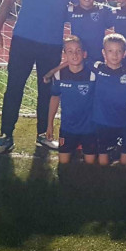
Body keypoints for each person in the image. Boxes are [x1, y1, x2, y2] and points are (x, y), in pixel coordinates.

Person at [0, 0, 77, 156]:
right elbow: (8, 1)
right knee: (14, 87)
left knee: (46, 90)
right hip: (23, 40)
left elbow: (83, 7)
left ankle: (43, 135)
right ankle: (6, 136)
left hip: (52, 44)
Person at [46, 36, 97, 165]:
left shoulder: (93, 75)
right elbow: (54, 98)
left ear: (84, 54)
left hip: (89, 128)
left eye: (78, 51)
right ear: (65, 55)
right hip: (68, 127)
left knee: (90, 163)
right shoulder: (59, 75)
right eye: (70, 51)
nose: (74, 55)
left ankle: (81, 147)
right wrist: (49, 124)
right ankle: (76, 147)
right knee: (63, 162)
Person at [90, 34, 126, 166]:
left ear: (124, 53)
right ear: (103, 52)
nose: (114, 55)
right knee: (103, 161)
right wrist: (53, 72)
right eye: (110, 51)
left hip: (123, 122)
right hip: (102, 121)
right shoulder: (97, 68)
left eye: (118, 51)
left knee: (124, 161)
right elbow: (74, 63)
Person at [66, 0, 111, 65]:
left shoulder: (103, 10)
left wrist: (123, 2)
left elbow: (121, 12)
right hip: (77, 59)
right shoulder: (71, 11)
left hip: (97, 59)